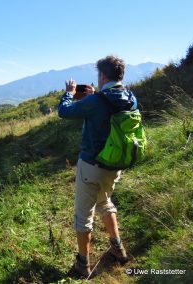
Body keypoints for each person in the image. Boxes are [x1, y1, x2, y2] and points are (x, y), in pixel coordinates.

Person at [58, 56, 137, 278]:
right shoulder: (131, 98)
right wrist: (95, 98)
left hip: (91, 165)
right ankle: (118, 249)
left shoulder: (95, 101)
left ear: (102, 75)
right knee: (105, 202)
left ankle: (83, 265)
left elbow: (64, 112)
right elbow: (110, 117)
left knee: (83, 216)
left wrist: (70, 94)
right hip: (115, 166)